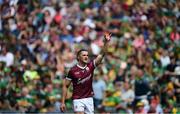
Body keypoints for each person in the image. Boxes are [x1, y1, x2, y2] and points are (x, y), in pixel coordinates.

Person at [60, 32, 111, 114]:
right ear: (78, 57)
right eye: (83, 55)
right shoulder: (72, 70)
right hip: (78, 99)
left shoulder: (91, 66)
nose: (86, 56)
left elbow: (102, 54)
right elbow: (65, 86)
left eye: (87, 55)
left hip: (89, 98)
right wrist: (62, 102)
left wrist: (106, 42)